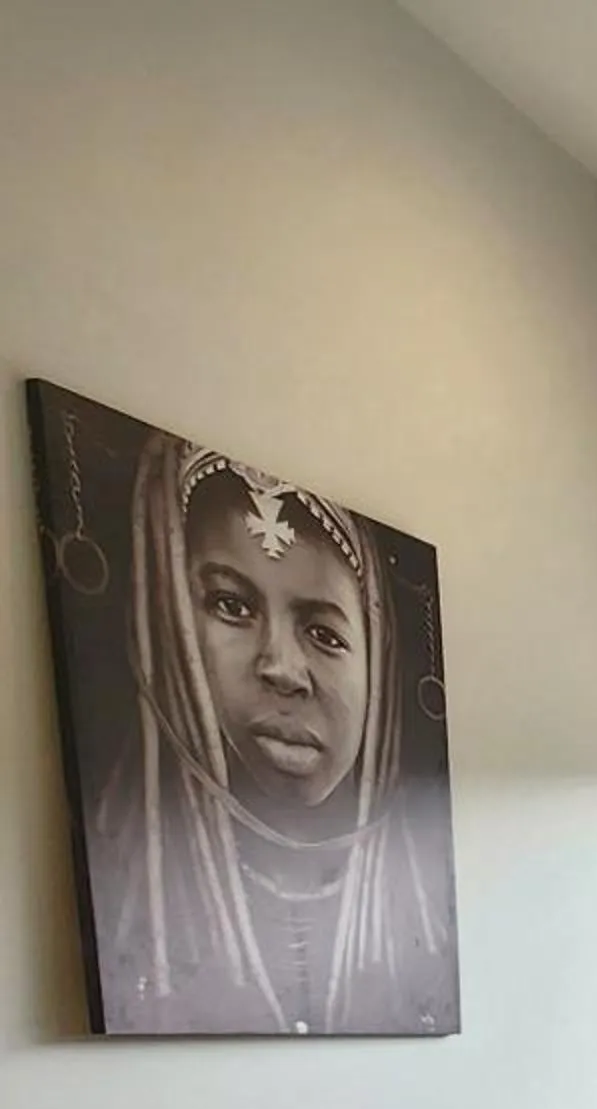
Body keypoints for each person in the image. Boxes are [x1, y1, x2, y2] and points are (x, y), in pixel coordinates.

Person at [97, 435, 455, 1033]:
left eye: (325, 633)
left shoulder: (423, 921)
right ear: (173, 623)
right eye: (232, 606)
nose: (283, 670)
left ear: (378, 668)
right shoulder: (122, 884)